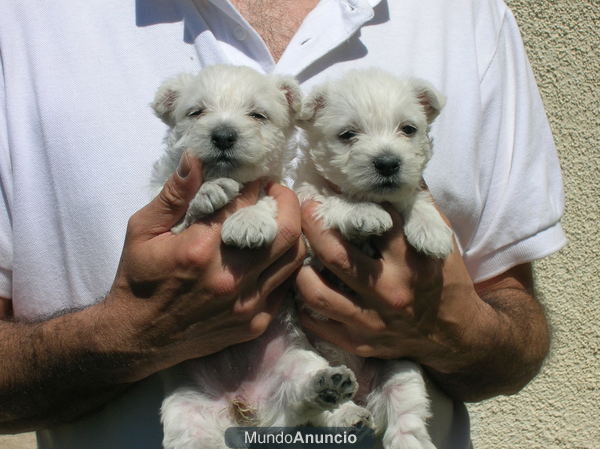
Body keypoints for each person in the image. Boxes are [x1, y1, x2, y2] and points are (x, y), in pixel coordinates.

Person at [0, 0, 565, 448]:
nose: (223, 130)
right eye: (197, 114)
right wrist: (128, 334)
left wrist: (446, 325)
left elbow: (515, 342)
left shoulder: (468, 18)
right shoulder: (24, 20)